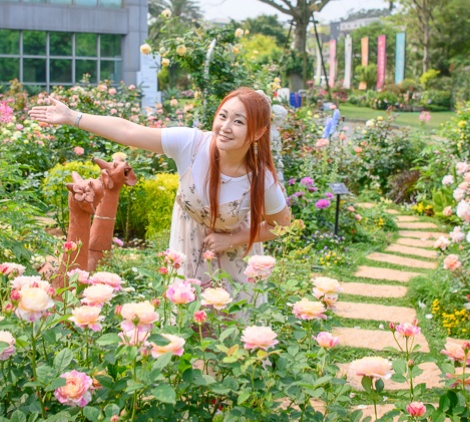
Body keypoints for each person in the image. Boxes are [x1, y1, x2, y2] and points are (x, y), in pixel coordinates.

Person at [29, 87, 292, 290]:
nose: (225, 127)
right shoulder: (191, 144)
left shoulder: (261, 179)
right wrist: (72, 116)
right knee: (183, 335)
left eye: (239, 121)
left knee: (233, 343)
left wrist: (231, 239)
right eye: (223, 116)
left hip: (234, 265)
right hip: (186, 250)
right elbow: (129, 131)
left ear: (257, 133)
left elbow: (282, 226)